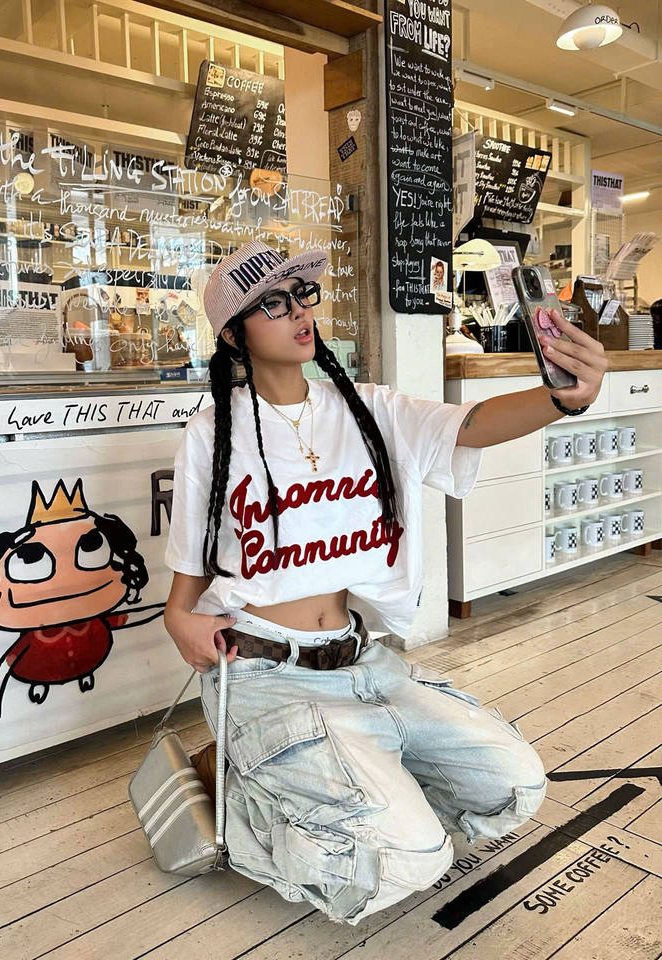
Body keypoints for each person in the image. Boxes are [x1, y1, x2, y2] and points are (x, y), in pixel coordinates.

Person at [163, 239, 607, 925]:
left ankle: (345, 780)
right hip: (265, 674)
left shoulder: (370, 409)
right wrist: (182, 623)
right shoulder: (212, 433)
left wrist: (562, 398)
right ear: (232, 334)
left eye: (301, 294)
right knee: (413, 859)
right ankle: (237, 779)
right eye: (273, 303)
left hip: (364, 665)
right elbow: (183, 594)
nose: (299, 311)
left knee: (515, 786)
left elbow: (472, 425)